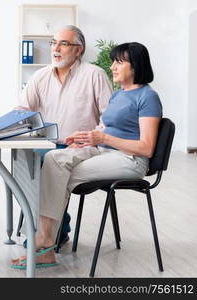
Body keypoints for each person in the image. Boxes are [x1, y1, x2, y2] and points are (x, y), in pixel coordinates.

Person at [11, 42, 162, 269]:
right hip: (104, 151)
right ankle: (45, 239)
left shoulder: (148, 97)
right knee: (54, 159)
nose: (112, 67)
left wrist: (103, 139)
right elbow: (106, 128)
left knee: (60, 175)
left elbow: (147, 148)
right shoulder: (120, 95)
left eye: (119, 62)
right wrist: (85, 137)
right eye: (113, 62)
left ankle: (45, 242)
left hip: (130, 160)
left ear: (136, 65)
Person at [18, 25, 112, 249]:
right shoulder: (40, 76)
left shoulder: (94, 74)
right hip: (48, 143)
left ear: (78, 50)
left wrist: (91, 136)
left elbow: (110, 118)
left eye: (63, 43)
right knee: (21, 161)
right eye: (53, 43)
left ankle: (47, 233)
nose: (55, 49)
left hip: (82, 146)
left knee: (48, 163)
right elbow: (22, 110)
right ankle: (54, 229)